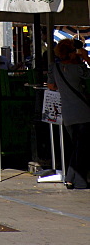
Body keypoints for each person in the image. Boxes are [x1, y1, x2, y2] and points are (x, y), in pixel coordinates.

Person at [48, 38, 90, 189]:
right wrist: (85, 57)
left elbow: (51, 86)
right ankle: (78, 180)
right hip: (83, 112)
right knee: (82, 147)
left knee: (77, 146)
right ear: (72, 53)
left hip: (67, 112)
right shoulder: (79, 69)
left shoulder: (55, 67)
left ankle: (71, 178)